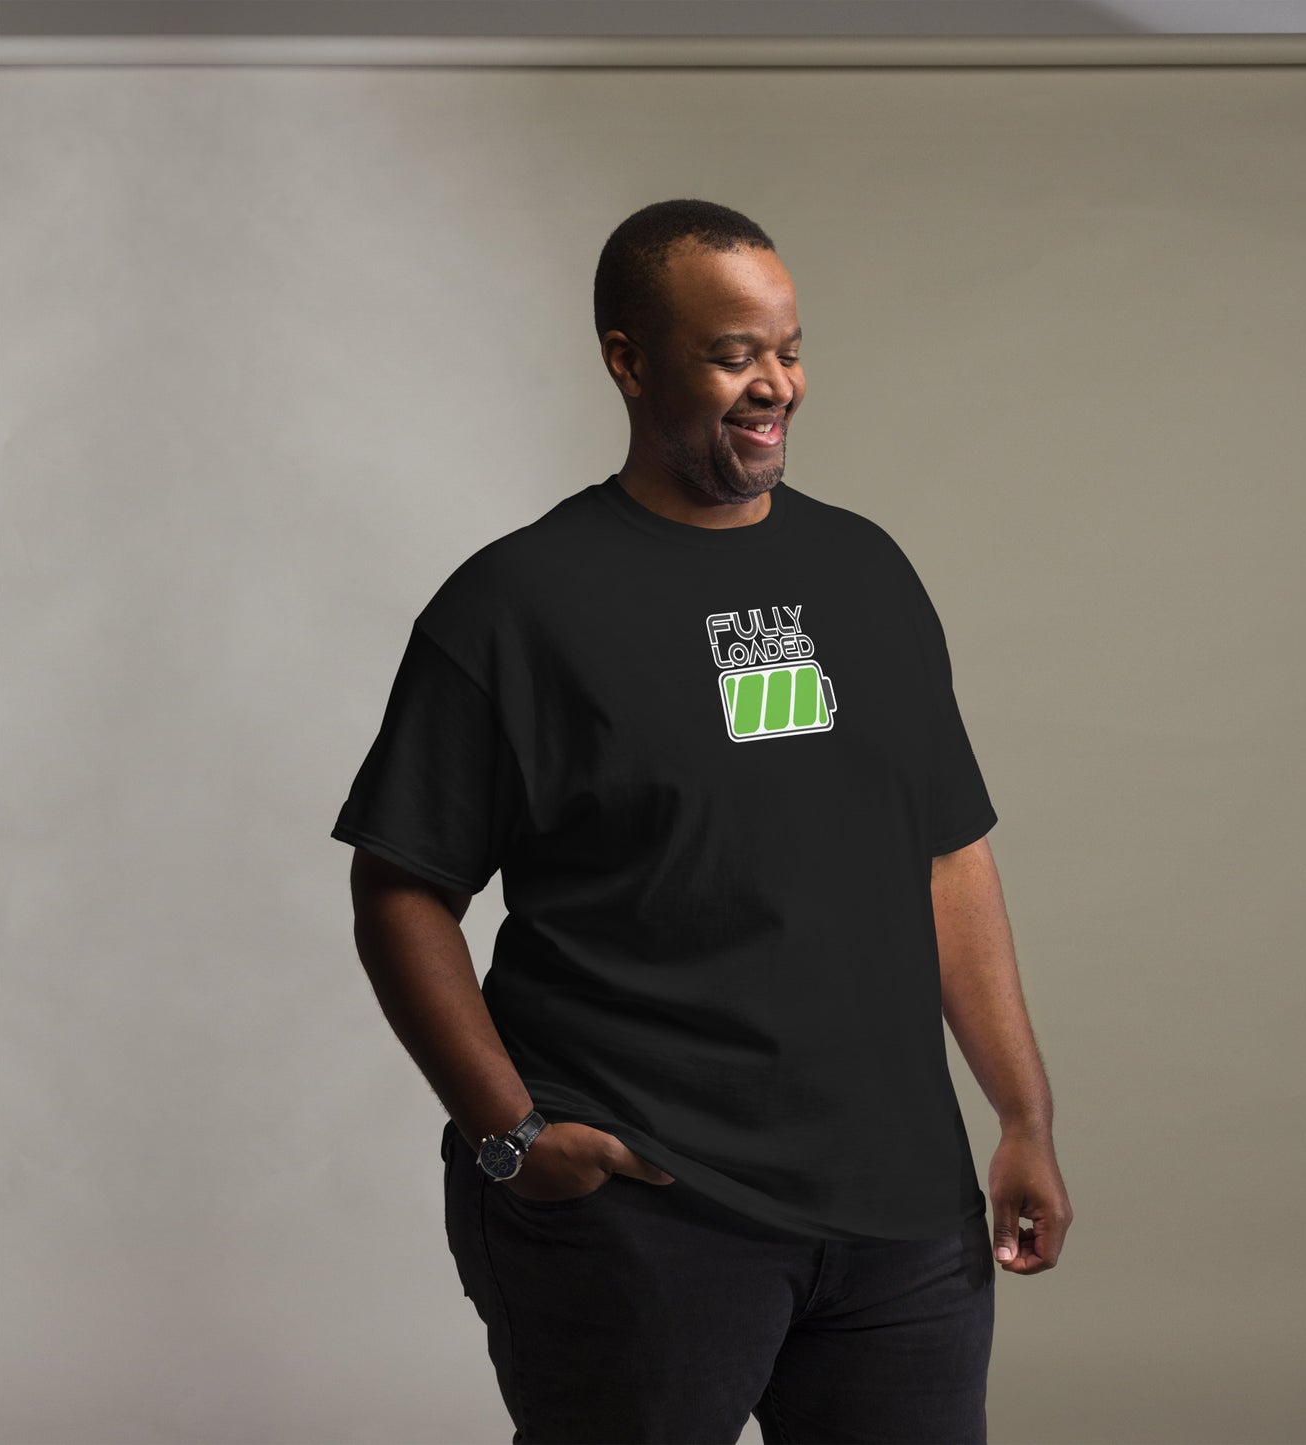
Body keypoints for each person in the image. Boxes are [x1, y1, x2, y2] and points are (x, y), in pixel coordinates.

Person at [332, 197, 1072, 1445]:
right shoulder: (516, 604)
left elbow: (946, 855)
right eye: (733, 353)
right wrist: (510, 1136)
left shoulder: (867, 574)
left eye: (786, 348)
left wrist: (1022, 1117)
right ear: (628, 358)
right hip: (645, 1216)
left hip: (900, 1222)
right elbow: (400, 887)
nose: (772, 383)